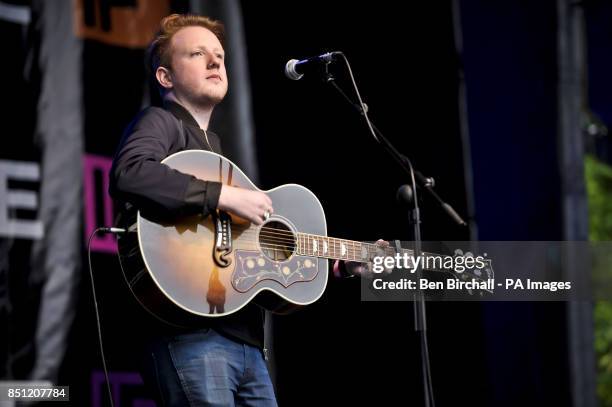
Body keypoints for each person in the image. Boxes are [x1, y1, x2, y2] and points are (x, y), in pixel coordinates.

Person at [109, 14, 278, 406]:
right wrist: (220, 195)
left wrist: (330, 262)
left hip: (245, 342)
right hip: (191, 338)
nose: (216, 62)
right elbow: (130, 174)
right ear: (166, 77)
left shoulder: (215, 151)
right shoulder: (161, 121)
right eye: (198, 54)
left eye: (219, 55)